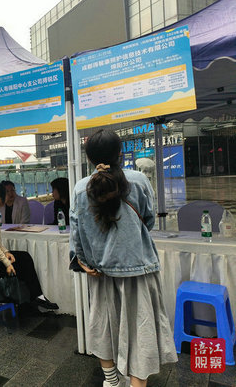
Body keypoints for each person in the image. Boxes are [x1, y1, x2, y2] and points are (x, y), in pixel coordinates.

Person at [70, 129, 177, 387]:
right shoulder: (138, 181)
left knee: (103, 326)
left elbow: (77, 233)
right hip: (138, 270)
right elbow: (148, 221)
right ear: (120, 153)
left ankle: (111, 381)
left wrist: (82, 261)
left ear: (89, 158)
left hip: (100, 272)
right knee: (141, 330)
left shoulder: (80, 188)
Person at [0, 183, 58, 313]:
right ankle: (33, 299)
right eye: (6, 194)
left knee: (23, 258)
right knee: (23, 261)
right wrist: (7, 263)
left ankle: (29, 302)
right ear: (0, 199)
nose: (9, 196)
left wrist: (6, 252)